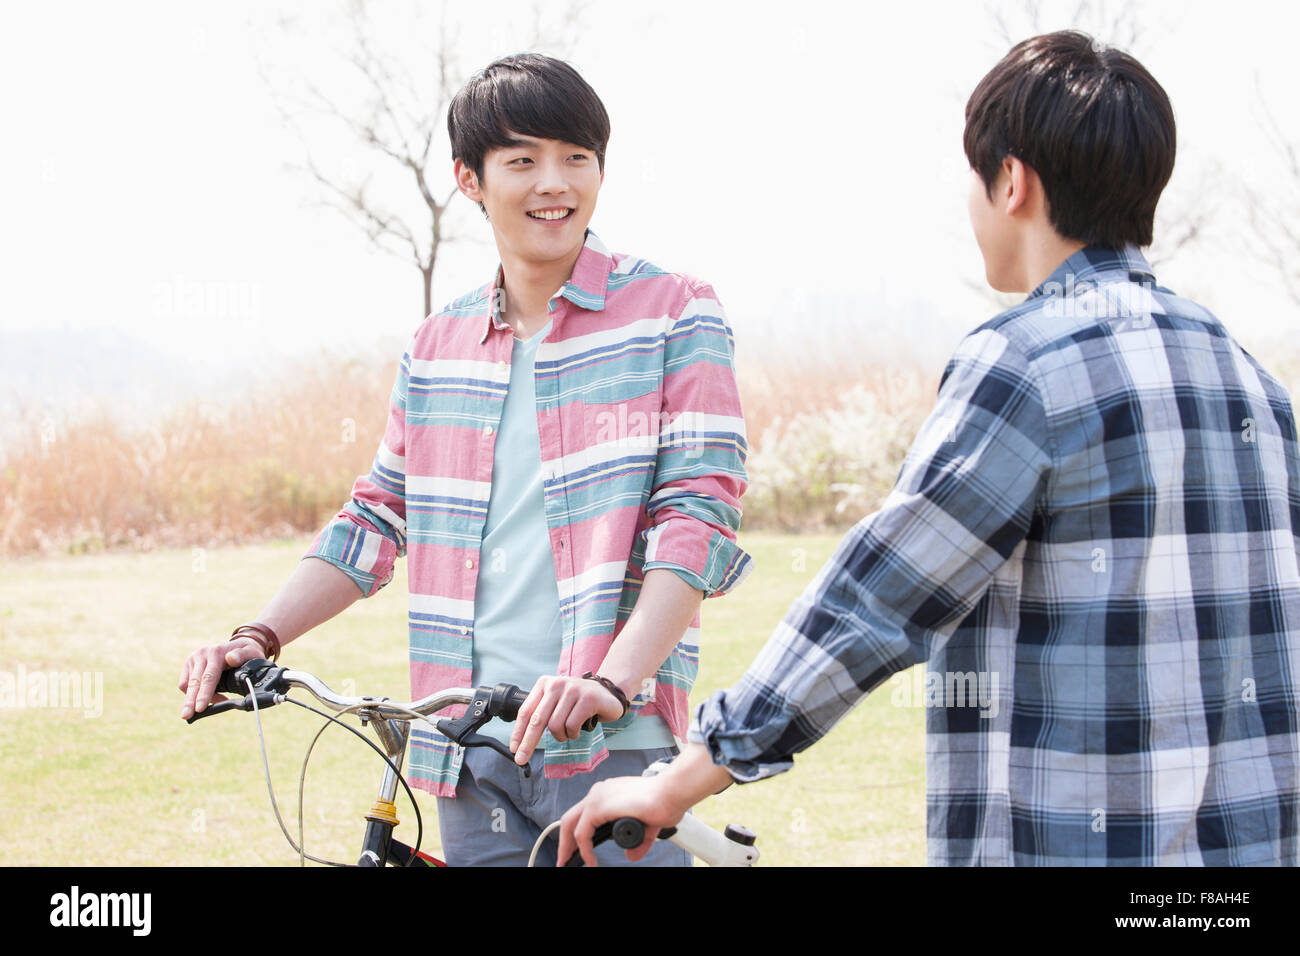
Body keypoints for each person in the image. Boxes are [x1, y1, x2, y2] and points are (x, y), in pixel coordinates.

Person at [558, 30, 1300, 867]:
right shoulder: (1249, 378)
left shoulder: (1025, 362)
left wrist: (678, 779)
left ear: (1011, 181)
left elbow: (878, 597)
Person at [178, 53, 751, 866]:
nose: (555, 182)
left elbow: (698, 518)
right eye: (523, 160)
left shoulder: (672, 312)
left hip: (614, 739)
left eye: (576, 158)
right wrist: (259, 635)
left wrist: (610, 682)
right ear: (470, 179)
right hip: (467, 750)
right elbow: (378, 514)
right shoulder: (437, 345)